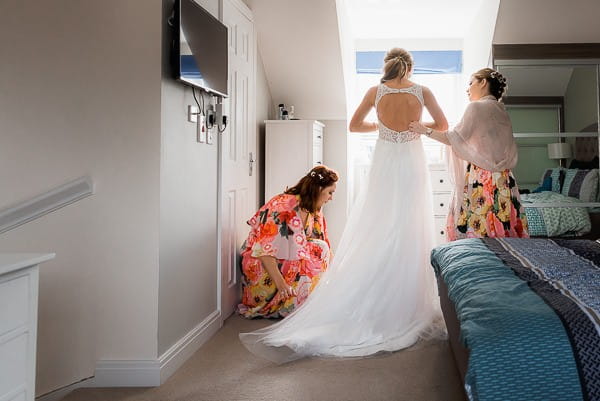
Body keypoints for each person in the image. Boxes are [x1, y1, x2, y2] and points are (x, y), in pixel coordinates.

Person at [239, 48, 449, 363]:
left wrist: (382, 128)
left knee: (380, 225)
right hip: (411, 160)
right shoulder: (422, 91)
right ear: (411, 67)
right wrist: (417, 128)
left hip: (384, 160)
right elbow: (443, 126)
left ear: (387, 66)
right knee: (410, 224)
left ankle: (378, 290)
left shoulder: (374, 92)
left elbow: (354, 126)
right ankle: (405, 299)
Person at [409, 68, 529, 240]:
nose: (467, 89)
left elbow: (453, 139)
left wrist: (424, 130)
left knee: (480, 230)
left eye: (471, 82)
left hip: (482, 179)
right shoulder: (501, 110)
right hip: (504, 180)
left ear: (483, 82)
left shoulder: (476, 107)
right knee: (502, 228)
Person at [237, 165, 338, 318]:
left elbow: (322, 241)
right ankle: (289, 302)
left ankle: (303, 299)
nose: (331, 198)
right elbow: (262, 250)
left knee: (319, 248)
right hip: (261, 260)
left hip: (285, 256)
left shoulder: (313, 208)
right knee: (306, 256)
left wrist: (336, 277)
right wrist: (282, 285)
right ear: (318, 190)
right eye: (330, 193)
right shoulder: (283, 207)